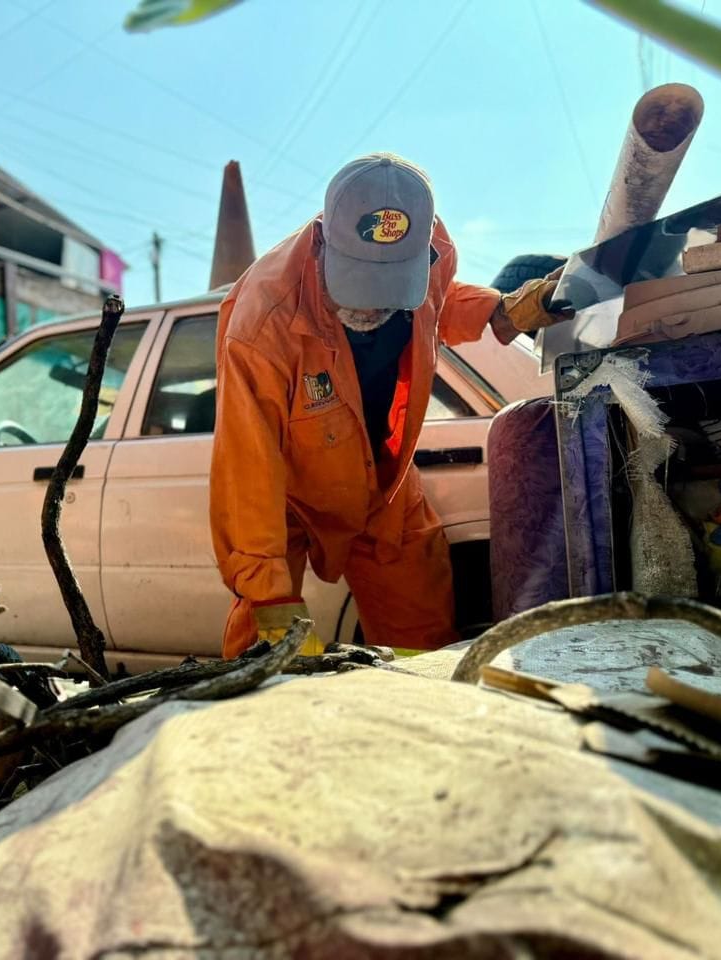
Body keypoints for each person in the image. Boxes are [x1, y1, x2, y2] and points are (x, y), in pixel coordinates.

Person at [210, 153, 570, 659]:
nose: (372, 307)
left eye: (389, 289)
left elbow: (441, 300)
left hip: (385, 484)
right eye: (359, 285)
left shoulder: (435, 252)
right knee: (266, 646)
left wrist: (499, 310)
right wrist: (269, 601)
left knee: (423, 646)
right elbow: (247, 470)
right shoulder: (261, 324)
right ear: (322, 245)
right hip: (288, 493)